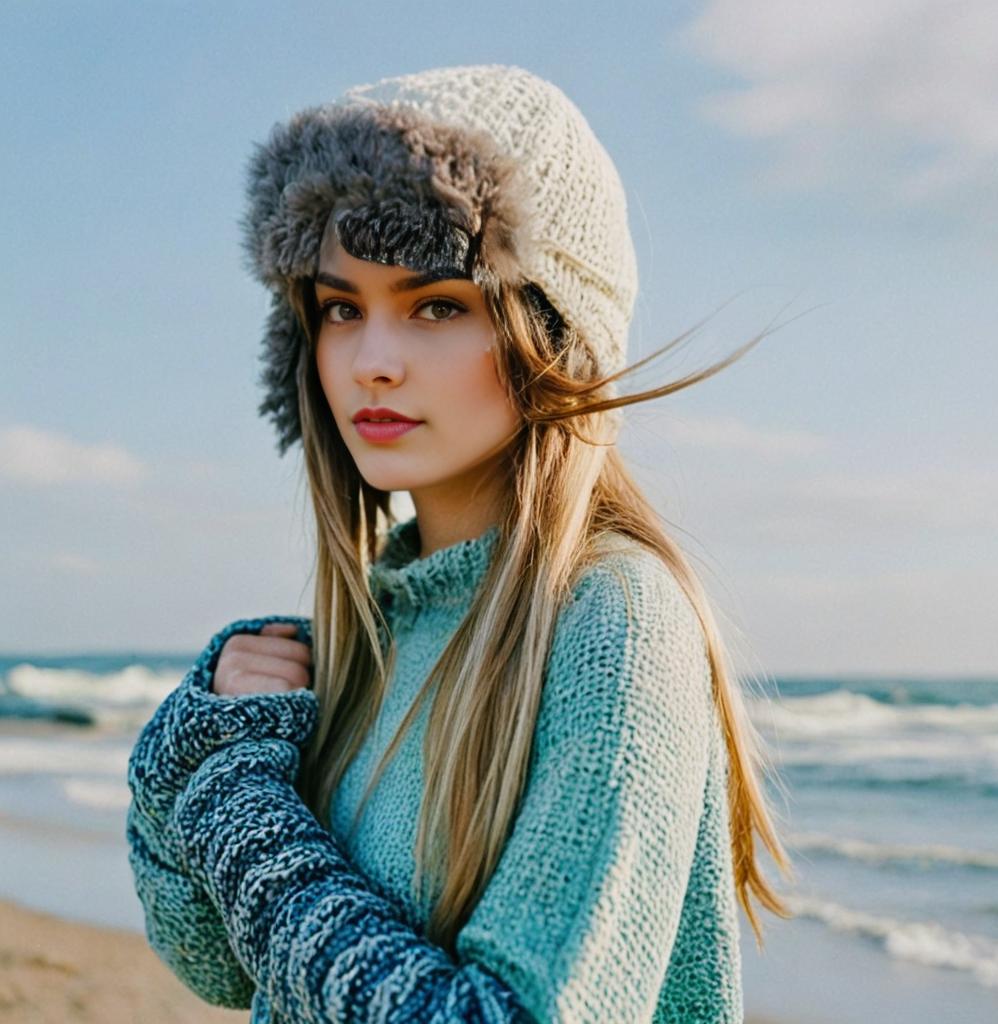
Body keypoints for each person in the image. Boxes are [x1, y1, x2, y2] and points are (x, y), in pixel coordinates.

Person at [126, 63, 792, 1024]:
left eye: (437, 302)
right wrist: (195, 755)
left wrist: (242, 808)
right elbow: (221, 966)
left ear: (549, 333)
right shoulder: (372, 624)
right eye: (339, 308)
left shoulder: (615, 623)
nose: (372, 361)